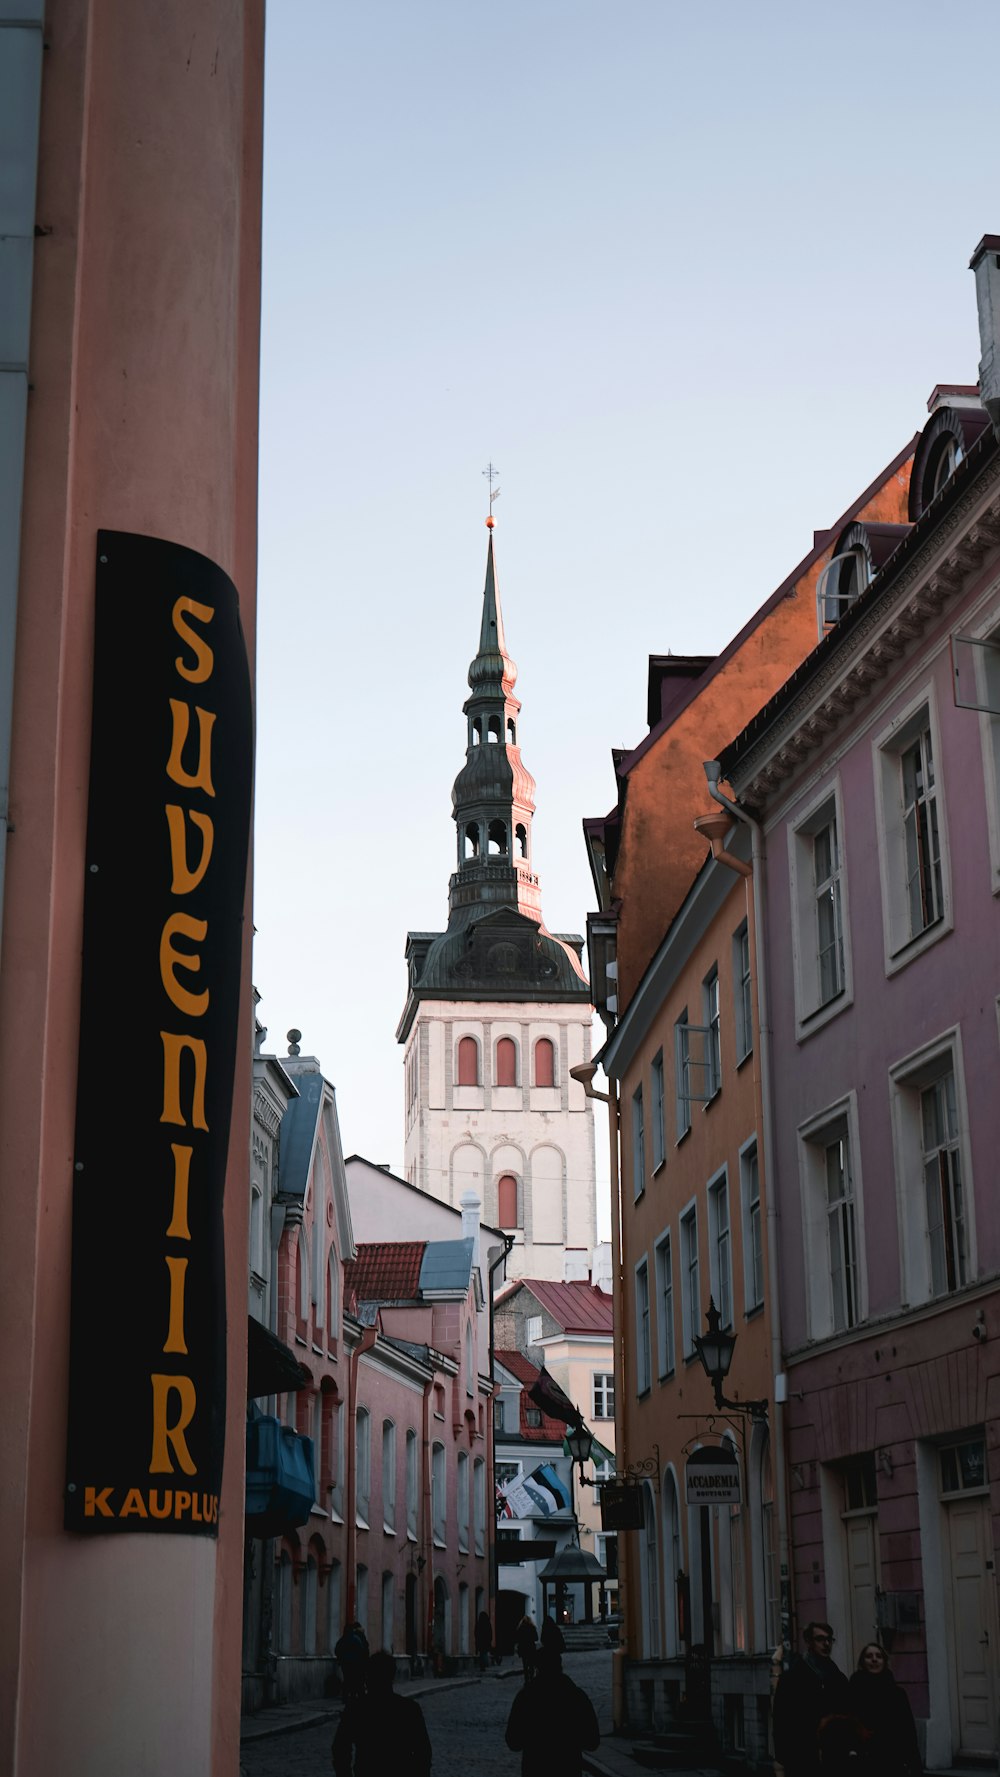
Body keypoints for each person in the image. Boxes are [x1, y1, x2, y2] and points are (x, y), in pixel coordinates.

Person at [332, 1650, 432, 1777]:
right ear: (392, 1676)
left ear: (367, 1676)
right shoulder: (409, 1709)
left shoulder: (357, 1709)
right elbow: (423, 1752)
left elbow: (340, 1748)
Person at [506, 1647, 600, 1777]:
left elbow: (513, 1741)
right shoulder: (576, 1696)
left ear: (537, 1669)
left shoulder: (526, 1697)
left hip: (535, 1769)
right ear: (560, 1666)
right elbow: (592, 1741)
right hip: (568, 1768)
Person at [773, 1622, 850, 1777]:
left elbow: (847, 1713)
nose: (826, 1644)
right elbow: (781, 1719)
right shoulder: (793, 1678)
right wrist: (786, 1757)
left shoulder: (838, 1677)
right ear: (809, 1642)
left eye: (829, 1639)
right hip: (802, 1756)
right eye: (820, 1639)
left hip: (834, 1755)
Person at [848, 1643, 921, 1777]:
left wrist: (914, 1765)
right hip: (863, 1758)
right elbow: (848, 1723)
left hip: (892, 1758)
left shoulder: (897, 1693)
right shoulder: (853, 1690)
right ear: (863, 1662)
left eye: (879, 1656)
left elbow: (908, 1730)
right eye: (869, 1656)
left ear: (884, 1661)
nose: (874, 1659)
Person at [334, 1620, 370, 1703]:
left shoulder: (342, 1640)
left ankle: (345, 1697)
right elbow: (362, 1650)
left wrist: (340, 1658)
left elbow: (337, 1650)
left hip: (345, 1663)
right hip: (355, 1663)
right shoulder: (356, 1639)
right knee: (355, 1679)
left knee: (347, 1679)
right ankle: (354, 1697)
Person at [514, 1613, 538, 1681]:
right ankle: (531, 1677)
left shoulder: (520, 1628)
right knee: (531, 1664)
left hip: (523, 1648)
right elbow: (536, 1638)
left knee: (525, 1664)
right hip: (531, 1648)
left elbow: (517, 1638)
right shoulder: (532, 1627)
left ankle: (526, 1678)